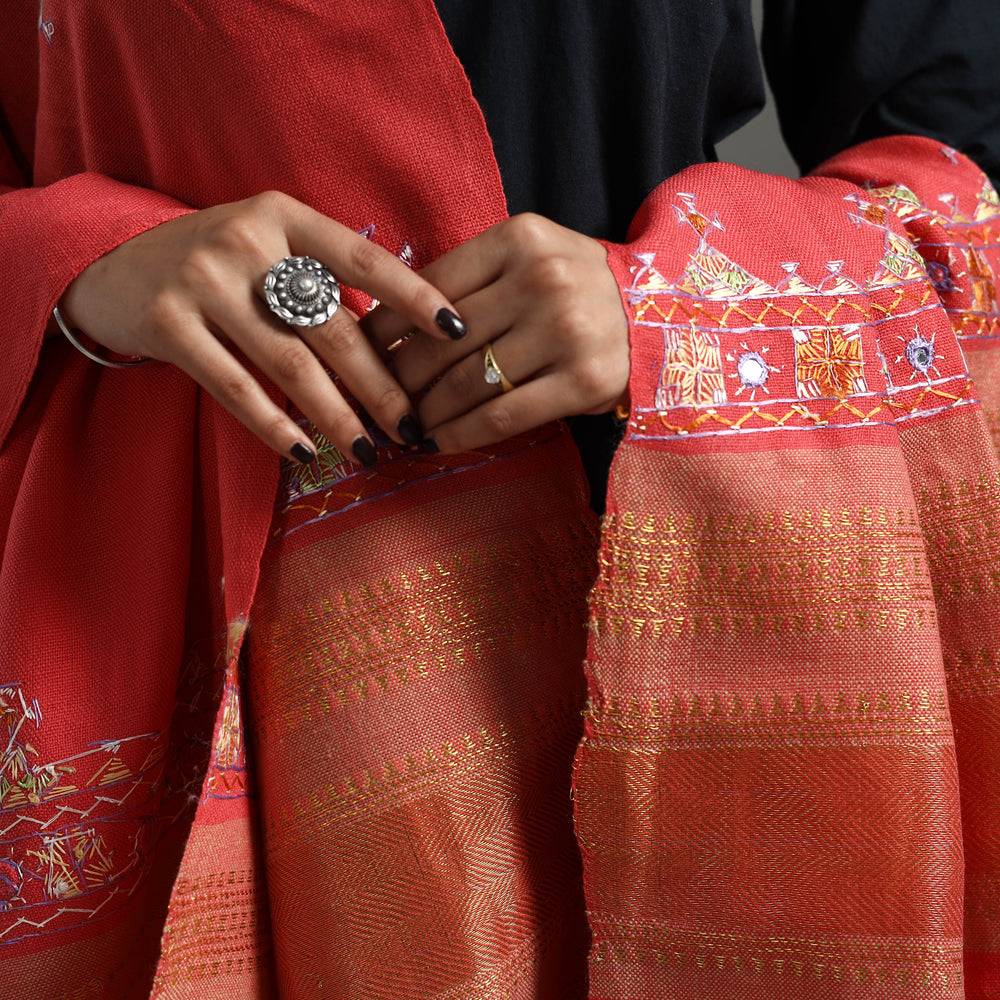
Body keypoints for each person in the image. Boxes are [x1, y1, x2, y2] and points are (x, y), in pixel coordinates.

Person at [1, 2, 999, 998]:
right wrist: (83, 260)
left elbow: (971, 147)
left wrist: (672, 303)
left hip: (667, 558)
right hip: (183, 598)